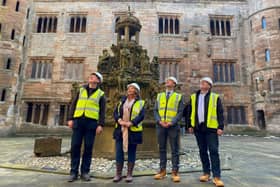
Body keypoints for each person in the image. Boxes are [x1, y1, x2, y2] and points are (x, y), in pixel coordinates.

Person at [185, 77, 224, 187]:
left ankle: (216, 177)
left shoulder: (214, 97)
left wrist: (220, 127)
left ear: (209, 86)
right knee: (202, 151)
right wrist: (189, 125)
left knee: (213, 151)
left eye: (205, 82)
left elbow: (220, 112)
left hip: (211, 128)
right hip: (198, 128)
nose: (202, 83)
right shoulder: (193, 97)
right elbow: (189, 112)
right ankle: (206, 173)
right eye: (201, 82)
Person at [67, 72, 106, 182]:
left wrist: (100, 124)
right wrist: (70, 119)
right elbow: (73, 104)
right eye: (90, 76)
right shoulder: (81, 90)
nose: (91, 77)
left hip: (91, 123)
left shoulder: (101, 94)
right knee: (75, 146)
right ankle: (73, 172)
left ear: (98, 81)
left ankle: (85, 172)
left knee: (88, 148)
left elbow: (102, 111)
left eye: (94, 77)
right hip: (78, 121)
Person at [112, 83, 145, 183]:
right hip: (120, 130)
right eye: (129, 88)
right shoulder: (121, 101)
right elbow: (115, 113)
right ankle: (118, 173)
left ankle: (129, 174)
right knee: (119, 151)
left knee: (131, 152)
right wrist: (119, 120)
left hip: (133, 131)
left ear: (136, 91)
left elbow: (141, 115)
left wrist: (132, 123)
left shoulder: (140, 103)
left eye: (132, 88)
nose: (129, 90)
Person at [153, 76, 184, 183]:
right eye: (166, 81)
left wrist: (172, 122)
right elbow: (156, 110)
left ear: (174, 84)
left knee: (174, 150)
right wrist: (159, 121)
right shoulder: (159, 95)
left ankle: (175, 172)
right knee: (162, 149)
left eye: (170, 81)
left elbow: (180, 112)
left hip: (173, 127)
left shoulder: (178, 96)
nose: (167, 82)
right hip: (161, 126)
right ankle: (162, 170)